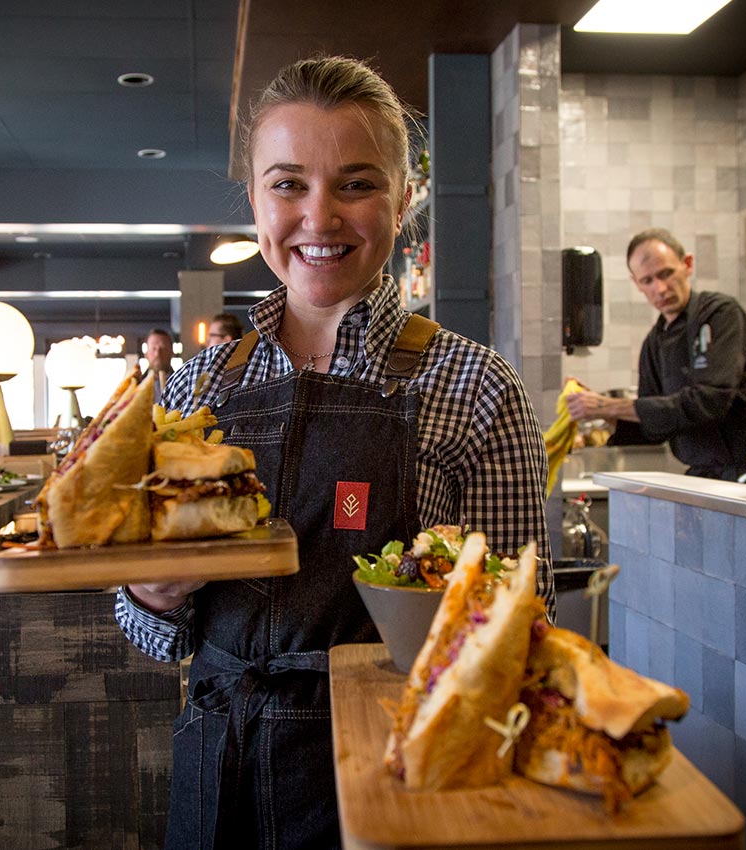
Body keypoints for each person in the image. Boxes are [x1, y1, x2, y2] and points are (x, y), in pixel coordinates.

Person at [114, 56, 554, 849]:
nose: (319, 216)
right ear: (253, 199)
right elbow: (146, 632)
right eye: (288, 184)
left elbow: (524, 629)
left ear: (405, 196)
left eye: (356, 183)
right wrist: (153, 592)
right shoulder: (191, 392)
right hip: (219, 778)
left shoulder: (477, 386)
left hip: (396, 780)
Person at [565, 227, 746, 482]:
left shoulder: (720, 314)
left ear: (687, 265)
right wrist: (604, 411)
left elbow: (710, 400)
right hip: (704, 477)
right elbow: (652, 430)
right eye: (648, 280)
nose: (661, 288)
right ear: (636, 283)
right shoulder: (654, 343)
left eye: (666, 274)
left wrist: (610, 405)